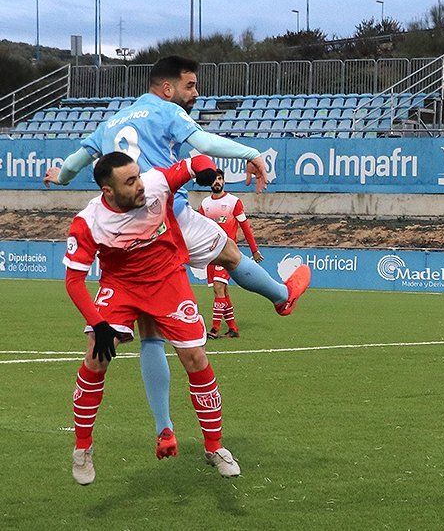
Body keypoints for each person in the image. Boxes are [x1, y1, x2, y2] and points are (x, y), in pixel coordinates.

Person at [44, 56, 311, 459]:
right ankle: (280, 296)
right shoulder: (166, 111)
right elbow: (203, 145)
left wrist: (58, 178)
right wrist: (251, 152)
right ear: (167, 89)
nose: (195, 93)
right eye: (190, 86)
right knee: (230, 253)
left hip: (126, 231)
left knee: (151, 330)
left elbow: (72, 166)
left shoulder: (110, 123)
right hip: (166, 216)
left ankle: (164, 429)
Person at [65, 152, 241, 485]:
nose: (140, 184)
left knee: (195, 356)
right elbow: (73, 281)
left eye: (138, 176)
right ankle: (82, 447)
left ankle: (214, 447)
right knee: (96, 355)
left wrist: (206, 171)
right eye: (130, 181)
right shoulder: (88, 222)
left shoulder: (157, 184)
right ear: (109, 192)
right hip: (121, 285)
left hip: (167, 279)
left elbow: (196, 161)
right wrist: (99, 324)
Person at [199, 169, 262, 339]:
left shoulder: (233, 202)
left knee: (219, 288)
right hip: (211, 255)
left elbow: (245, 227)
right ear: (210, 183)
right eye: (214, 179)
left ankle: (214, 328)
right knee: (222, 292)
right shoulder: (204, 204)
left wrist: (254, 250)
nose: (217, 182)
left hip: (227, 253)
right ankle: (233, 328)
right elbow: (197, 229)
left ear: (224, 181)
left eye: (220, 179)